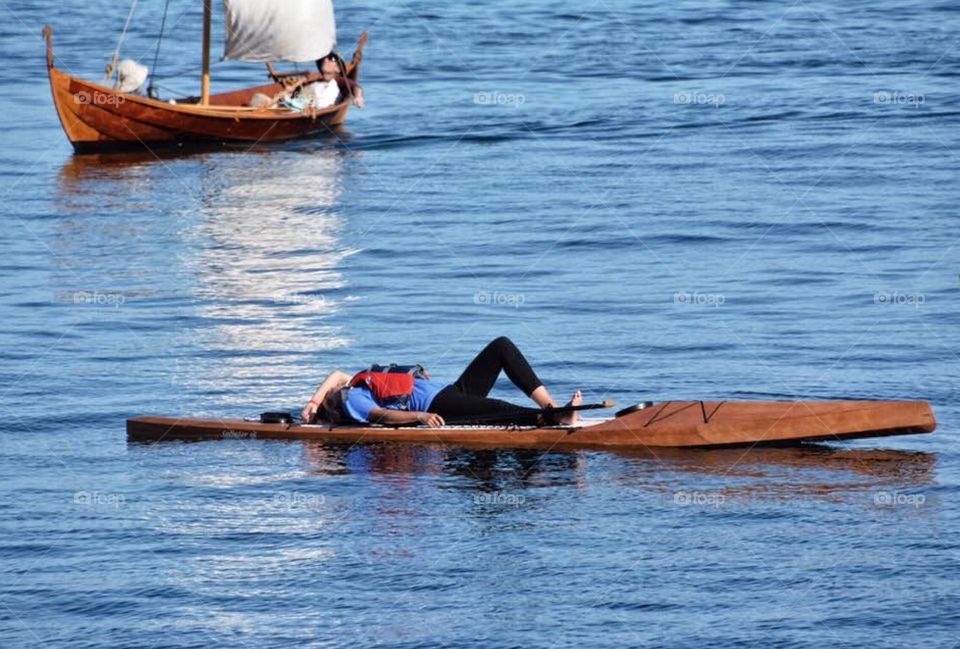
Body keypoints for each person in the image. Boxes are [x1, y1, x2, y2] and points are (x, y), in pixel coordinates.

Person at [301, 337, 581, 427]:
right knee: (493, 408)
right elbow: (384, 415)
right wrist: (421, 416)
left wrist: (312, 402)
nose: (337, 385)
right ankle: (548, 419)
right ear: (335, 401)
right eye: (332, 392)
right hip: (438, 406)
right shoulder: (355, 399)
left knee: (501, 347)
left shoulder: (358, 384)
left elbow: (336, 374)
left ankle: (553, 408)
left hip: (451, 391)